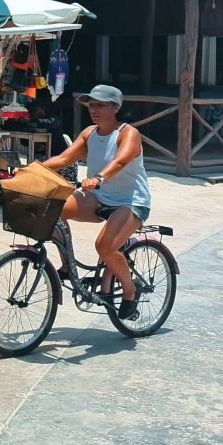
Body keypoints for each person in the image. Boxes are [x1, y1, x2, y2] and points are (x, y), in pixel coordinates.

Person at [40, 84, 151, 321]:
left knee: (104, 247)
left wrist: (99, 178)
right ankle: (68, 268)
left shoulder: (127, 133)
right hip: (99, 198)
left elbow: (120, 161)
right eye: (91, 105)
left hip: (130, 202)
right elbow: (63, 158)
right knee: (53, 208)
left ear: (116, 107)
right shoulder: (89, 133)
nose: (94, 109)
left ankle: (130, 291)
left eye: (100, 105)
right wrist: (31, 169)